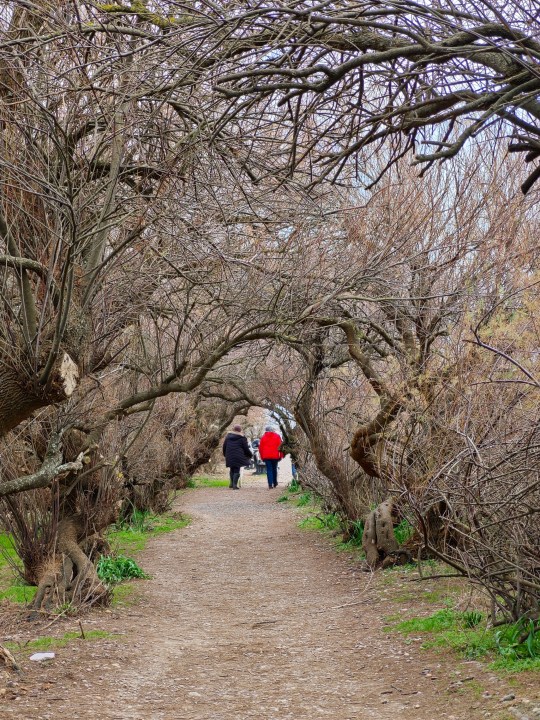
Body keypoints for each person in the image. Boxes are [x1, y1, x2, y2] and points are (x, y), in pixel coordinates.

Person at [223, 424, 253, 490]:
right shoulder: (242, 438)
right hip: (238, 456)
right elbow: (246, 448)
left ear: (233, 429)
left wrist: (225, 454)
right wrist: (250, 454)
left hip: (229, 455)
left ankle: (231, 483)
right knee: (237, 468)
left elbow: (224, 446)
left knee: (232, 468)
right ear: (240, 430)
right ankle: (234, 485)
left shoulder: (228, 437)